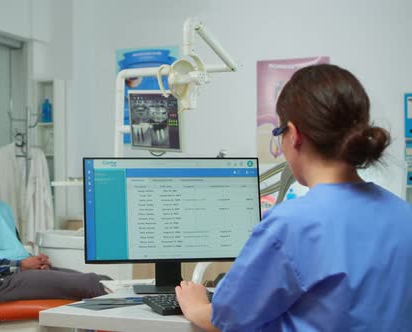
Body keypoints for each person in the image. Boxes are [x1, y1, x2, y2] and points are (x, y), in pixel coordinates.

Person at [176, 64, 412, 331]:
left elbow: (228, 318)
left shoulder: (291, 224)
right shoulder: (405, 216)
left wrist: (195, 306)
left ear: (294, 134)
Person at [0, 143, 109, 303]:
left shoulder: (0, 207)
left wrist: (34, 261)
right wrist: (20, 265)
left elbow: (14, 249)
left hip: (20, 274)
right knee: (93, 285)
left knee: (104, 282)